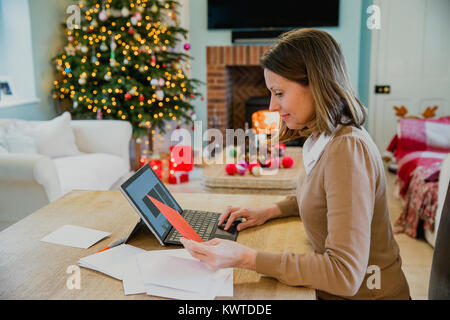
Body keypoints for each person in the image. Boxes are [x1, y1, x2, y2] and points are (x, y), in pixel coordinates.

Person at [181, 28, 410, 300]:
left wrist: (247, 258)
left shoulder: (347, 151)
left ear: (316, 84)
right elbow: (324, 196)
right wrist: (268, 211)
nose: (272, 106)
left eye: (279, 93)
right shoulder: (324, 137)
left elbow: (345, 274)